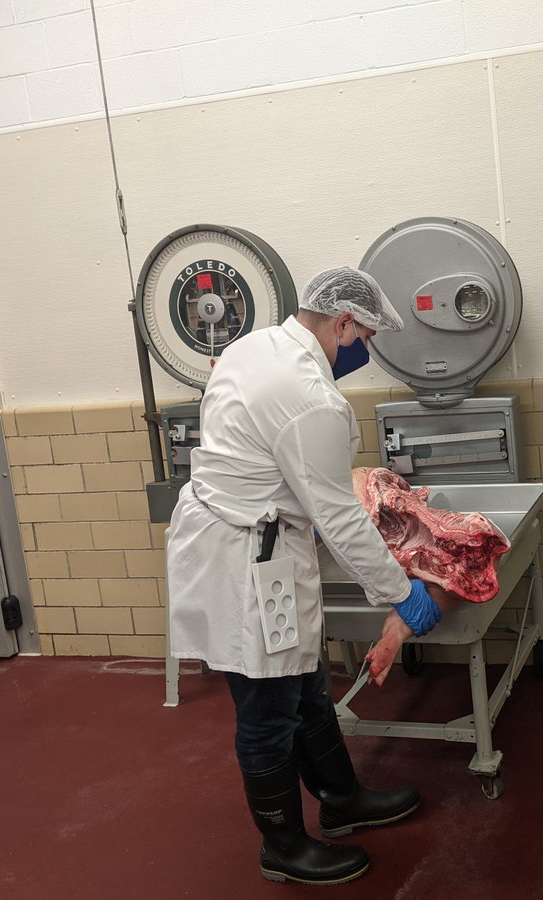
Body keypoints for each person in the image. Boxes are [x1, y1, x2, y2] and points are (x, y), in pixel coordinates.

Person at [167, 267, 443, 886]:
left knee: (303, 682)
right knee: (267, 708)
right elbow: (340, 517)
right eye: (365, 339)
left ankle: (341, 801)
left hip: (247, 536)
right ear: (342, 322)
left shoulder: (250, 345)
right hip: (246, 557)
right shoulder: (309, 395)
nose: (363, 354)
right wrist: (402, 594)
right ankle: (283, 844)